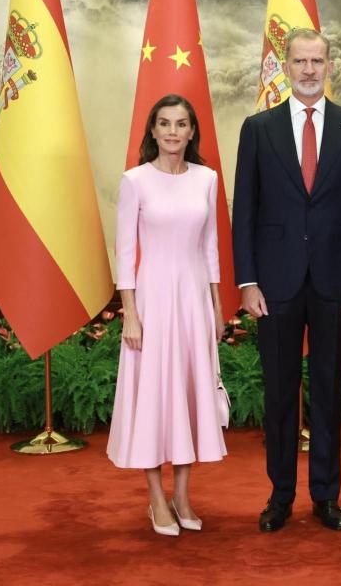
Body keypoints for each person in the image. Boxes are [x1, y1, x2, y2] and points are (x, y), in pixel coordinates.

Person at [233, 28, 341, 533]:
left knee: (327, 388)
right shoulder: (258, 128)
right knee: (279, 392)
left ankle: (326, 495)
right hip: (273, 284)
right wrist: (246, 281)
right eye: (300, 61)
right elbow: (244, 213)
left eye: (318, 61)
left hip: (337, 282)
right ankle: (280, 496)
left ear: (330, 66)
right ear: (285, 66)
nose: (309, 70)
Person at [107, 93, 227, 537]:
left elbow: (210, 247)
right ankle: (155, 498)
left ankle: (182, 496)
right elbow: (124, 252)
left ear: (192, 131)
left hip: (194, 301)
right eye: (165, 123)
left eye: (181, 124)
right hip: (153, 301)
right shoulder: (135, 180)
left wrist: (215, 304)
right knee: (154, 396)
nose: (173, 132)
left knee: (189, 397)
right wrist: (131, 313)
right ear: (152, 131)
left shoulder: (207, 179)